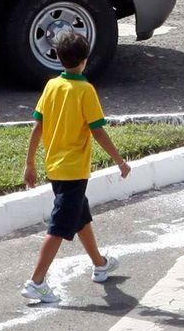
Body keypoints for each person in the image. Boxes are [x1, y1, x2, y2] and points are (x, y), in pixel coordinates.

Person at [20, 29, 130, 305]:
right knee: (59, 227)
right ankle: (36, 282)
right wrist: (119, 161)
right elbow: (98, 131)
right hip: (74, 171)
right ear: (85, 60)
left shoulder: (51, 86)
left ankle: (100, 264)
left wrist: (30, 163)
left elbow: (37, 126)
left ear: (58, 58)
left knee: (80, 216)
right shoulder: (85, 90)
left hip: (55, 168)